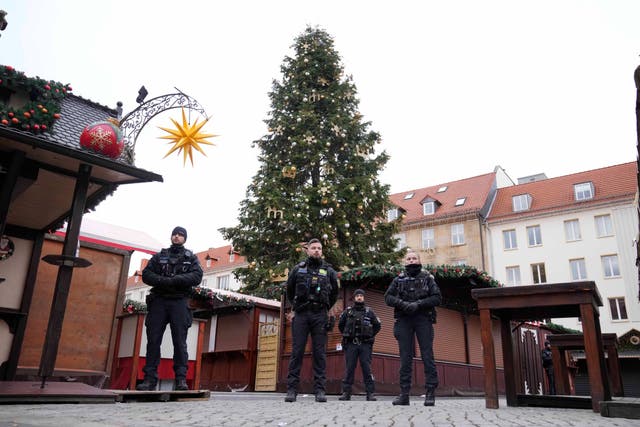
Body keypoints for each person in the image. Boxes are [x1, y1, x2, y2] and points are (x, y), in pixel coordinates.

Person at [136, 226, 203, 391]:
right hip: (159, 300)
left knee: (180, 342)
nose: (177, 237)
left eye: (180, 235)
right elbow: (146, 275)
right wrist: (161, 281)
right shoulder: (160, 256)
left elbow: (197, 276)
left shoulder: (191, 257)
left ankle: (180, 379)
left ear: (185, 238)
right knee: (153, 341)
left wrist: (176, 280)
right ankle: (149, 379)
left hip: (179, 301)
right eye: (175, 234)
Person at [284, 238, 339, 403]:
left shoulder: (329, 271)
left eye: (319, 248)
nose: (316, 250)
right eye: (313, 248)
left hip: (319, 315)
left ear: (322, 251)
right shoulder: (297, 269)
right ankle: (292, 390)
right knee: (297, 352)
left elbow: (334, 293)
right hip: (301, 314)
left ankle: (320, 391)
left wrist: (326, 307)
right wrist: (296, 307)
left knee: (320, 353)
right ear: (307, 250)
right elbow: (289, 290)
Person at [384, 251, 441, 406]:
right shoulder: (398, 279)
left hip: (423, 318)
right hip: (404, 319)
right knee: (405, 357)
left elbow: (437, 297)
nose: (411, 260)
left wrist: (418, 304)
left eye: (414, 258)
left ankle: (430, 393)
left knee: (427, 355)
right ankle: (404, 394)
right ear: (405, 262)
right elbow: (387, 298)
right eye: (408, 258)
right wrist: (403, 304)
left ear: (419, 260)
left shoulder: (428, 278)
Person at [338, 288, 381, 401]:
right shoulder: (348, 312)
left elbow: (377, 326)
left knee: (367, 369)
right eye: (357, 295)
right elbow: (341, 325)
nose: (359, 297)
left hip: (365, 345)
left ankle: (370, 393)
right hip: (351, 344)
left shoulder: (369, 312)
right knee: (349, 368)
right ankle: (346, 393)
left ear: (364, 297)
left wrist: (370, 335)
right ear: (354, 297)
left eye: (361, 295)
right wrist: (347, 335)